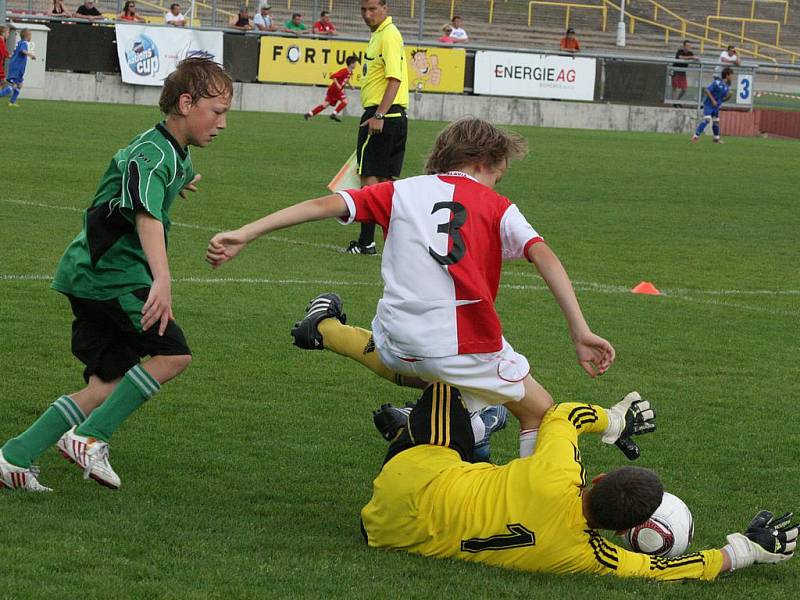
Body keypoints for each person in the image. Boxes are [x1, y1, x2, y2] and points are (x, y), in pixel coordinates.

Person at [206, 118, 615, 459]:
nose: (498, 180)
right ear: (487, 160)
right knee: (540, 413)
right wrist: (580, 331)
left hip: (394, 344)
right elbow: (544, 256)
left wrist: (247, 232)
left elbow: (321, 205)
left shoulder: (400, 190)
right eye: (500, 170)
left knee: (461, 391)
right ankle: (532, 506)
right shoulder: (498, 206)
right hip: (460, 347)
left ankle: (446, 422)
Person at [0, 58, 233, 492]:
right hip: (109, 276)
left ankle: (15, 456)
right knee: (173, 355)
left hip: (89, 274)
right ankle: (90, 436)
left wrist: (179, 183)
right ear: (186, 103)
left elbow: (152, 182)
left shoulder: (170, 153)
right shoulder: (152, 155)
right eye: (217, 112)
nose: (222, 123)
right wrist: (162, 282)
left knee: (107, 384)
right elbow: (146, 214)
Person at [358, 385, 798, 580]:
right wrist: (744, 549)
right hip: (382, 531)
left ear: (601, 477)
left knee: (446, 368)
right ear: (622, 531)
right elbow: (664, 569)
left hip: (412, 474)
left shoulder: (558, 471)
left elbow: (562, 415)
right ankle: (449, 430)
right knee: (465, 437)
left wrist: (615, 420)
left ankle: (324, 328)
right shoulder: (588, 556)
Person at [345, 0, 409, 256]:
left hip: (382, 114)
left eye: (372, 9)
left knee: (370, 178)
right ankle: (398, 243)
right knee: (386, 182)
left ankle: (365, 242)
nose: (367, 15)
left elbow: (394, 78)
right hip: (395, 115)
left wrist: (379, 115)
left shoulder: (388, 36)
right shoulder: (381, 35)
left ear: (385, 8)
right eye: (363, 10)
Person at [304, 55, 358, 122]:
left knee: (325, 104)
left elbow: (346, 80)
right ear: (351, 64)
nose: (356, 64)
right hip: (335, 89)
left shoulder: (350, 72)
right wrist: (338, 85)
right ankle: (334, 114)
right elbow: (333, 76)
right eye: (355, 63)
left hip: (334, 90)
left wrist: (350, 86)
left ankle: (309, 114)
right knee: (345, 101)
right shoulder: (344, 71)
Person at [692, 67, 733, 144]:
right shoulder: (717, 82)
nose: (732, 77)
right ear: (727, 75)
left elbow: (722, 99)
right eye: (731, 75)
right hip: (709, 104)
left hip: (716, 106)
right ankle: (695, 136)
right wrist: (713, 100)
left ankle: (716, 139)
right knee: (707, 119)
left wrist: (729, 97)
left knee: (716, 122)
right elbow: (707, 90)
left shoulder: (726, 87)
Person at [0, 29, 36, 108]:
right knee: (15, 85)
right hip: (17, 67)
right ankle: (3, 95)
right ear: (27, 36)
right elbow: (22, 51)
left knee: (20, 84)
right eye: (30, 35)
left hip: (18, 67)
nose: (31, 37)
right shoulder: (24, 43)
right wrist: (31, 55)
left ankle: (12, 102)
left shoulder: (20, 42)